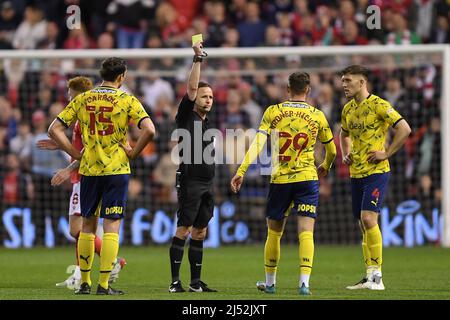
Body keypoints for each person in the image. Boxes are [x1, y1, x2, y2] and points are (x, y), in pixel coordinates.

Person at [48, 58, 155, 295]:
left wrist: (74, 153)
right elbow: (150, 129)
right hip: (117, 170)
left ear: (102, 75)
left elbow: (53, 129)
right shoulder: (127, 99)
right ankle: (104, 285)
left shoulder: (83, 98)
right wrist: (133, 153)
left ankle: (84, 283)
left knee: (87, 226)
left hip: (89, 170)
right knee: (111, 227)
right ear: (121, 77)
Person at [231, 72, 337, 295]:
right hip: (308, 178)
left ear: (287, 89)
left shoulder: (273, 111)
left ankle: (270, 283)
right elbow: (333, 150)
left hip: (280, 179)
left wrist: (240, 171)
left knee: (274, 232)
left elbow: (257, 145)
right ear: (308, 90)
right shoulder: (317, 115)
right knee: (306, 232)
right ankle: (304, 284)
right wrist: (326, 165)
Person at [37, 76, 126, 290]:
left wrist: (68, 171)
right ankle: (80, 274)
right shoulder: (80, 116)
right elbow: (81, 146)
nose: (69, 98)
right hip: (83, 175)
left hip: (84, 176)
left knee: (79, 229)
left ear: (78, 93)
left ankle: (113, 262)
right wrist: (59, 146)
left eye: (70, 94)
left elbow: (89, 149)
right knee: (79, 230)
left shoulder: (84, 115)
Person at [339, 65, 411, 290]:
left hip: (377, 172)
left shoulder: (380, 105)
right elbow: (343, 133)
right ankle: (369, 274)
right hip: (356, 172)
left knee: (369, 219)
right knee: (363, 223)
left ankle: (378, 277)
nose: (344, 85)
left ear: (362, 82)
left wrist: (386, 152)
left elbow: (405, 129)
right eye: (343, 81)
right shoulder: (348, 109)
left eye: (348, 80)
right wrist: (345, 153)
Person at [168, 40, 217, 293]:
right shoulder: (186, 115)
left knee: (200, 231)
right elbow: (190, 88)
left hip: (208, 184)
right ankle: (175, 282)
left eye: (210, 97)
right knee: (184, 229)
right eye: (204, 95)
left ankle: (195, 283)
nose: (207, 99)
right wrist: (198, 59)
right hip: (190, 182)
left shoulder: (208, 123)